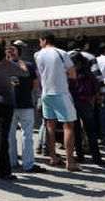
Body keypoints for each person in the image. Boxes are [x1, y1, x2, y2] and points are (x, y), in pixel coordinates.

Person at [0, 41, 29, 180]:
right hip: (5, 103)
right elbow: (25, 73)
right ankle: (4, 171)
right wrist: (19, 60)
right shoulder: (8, 65)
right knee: (3, 137)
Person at [34, 32, 79, 171]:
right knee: (68, 126)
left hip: (46, 93)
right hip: (61, 92)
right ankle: (70, 162)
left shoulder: (37, 54)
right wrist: (64, 74)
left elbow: (41, 73)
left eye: (40, 40)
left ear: (44, 40)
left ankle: (53, 157)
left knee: (50, 126)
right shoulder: (62, 53)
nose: (39, 43)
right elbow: (73, 73)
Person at [7, 41, 45, 173]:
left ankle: (12, 162)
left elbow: (16, 83)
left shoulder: (5, 66)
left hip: (11, 105)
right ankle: (27, 164)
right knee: (26, 135)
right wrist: (33, 97)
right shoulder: (28, 65)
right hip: (25, 103)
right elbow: (35, 84)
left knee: (11, 135)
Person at [69, 52, 105, 164]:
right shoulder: (89, 74)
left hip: (74, 104)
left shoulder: (70, 75)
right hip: (87, 104)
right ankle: (96, 158)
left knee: (76, 131)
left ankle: (80, 156)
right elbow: (96, 89)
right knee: (91, 132)